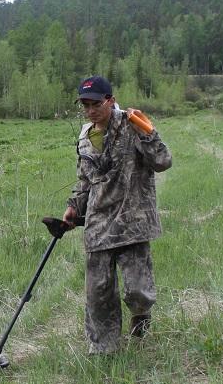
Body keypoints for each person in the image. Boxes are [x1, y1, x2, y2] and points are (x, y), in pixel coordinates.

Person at [62, 75, 172, 355]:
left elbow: (162, 161)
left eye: (95, 103)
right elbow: (86, 179)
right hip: (99, 223)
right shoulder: (85, 136)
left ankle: (141, 315)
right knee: (98, 294)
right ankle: (105, 350)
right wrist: (75, 205)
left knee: (137, 292)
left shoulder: (131, 124)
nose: (89, 110)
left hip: (133, 220)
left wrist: (148, 131)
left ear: (109, 100)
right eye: (84, 105)